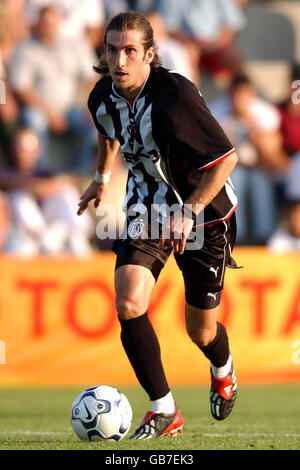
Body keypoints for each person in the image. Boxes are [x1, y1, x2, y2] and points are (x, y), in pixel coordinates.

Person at [78, 11, 239, 439]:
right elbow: (107, 131)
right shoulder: (101, 96)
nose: (120, 60)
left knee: (200, 330)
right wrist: (101, 178)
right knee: (129, 303)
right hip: (146, 211)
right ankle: (164, 409)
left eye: (130, 50)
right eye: (112, 50)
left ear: (149, 53)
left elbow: (227, 160)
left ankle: (222, 367)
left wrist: (188, 211)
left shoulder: (175, 94)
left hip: (204, 213)